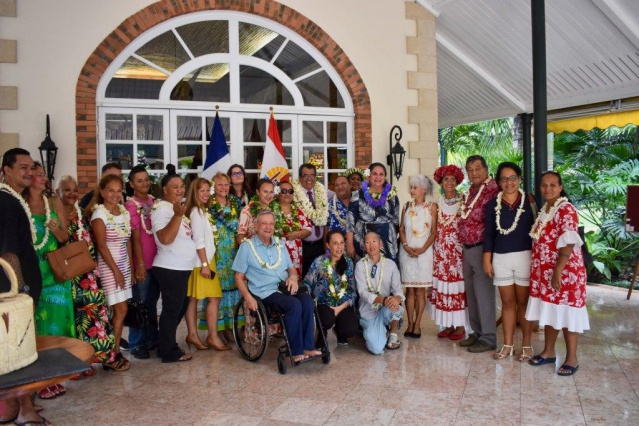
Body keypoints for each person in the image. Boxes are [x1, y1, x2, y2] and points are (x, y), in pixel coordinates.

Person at [0, 148, 49, 426]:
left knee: (12, 348)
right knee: (21, 348)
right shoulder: (7, 202)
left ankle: (11, 407)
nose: (30, 172)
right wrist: (21, 292)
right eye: (23, 167)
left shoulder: (12, 199)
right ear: (7, 170)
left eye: (32, 167)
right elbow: (9, 251)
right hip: (14, 292)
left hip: (13, 290)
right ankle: (26, 411)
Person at [233, 210, 321, 362]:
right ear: (256, 225)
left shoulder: (279, 244)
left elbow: (291, 268)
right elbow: (238, 277)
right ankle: (296, 351)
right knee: (293, 304)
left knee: (307, 300)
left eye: (271, 224)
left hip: (284, 287)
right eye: (264, 224)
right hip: (265, 292)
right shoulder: (247, 247)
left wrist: (293, 277)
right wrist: (247, 297)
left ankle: (307, 346)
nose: (268, 227)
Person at [526, 171, 589, 376]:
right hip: (546, 272)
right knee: (551, 311)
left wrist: (558, 271)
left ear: (561, 187)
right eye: (544, 185)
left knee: (567, 313)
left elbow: (569, 242)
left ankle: (572, 358)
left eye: (553, 185)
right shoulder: (546, 209)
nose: (548, 189)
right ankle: (549, 352)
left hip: (565, 273)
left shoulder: (566, 209)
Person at [26, 163, 76, 399]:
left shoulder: (54, 203)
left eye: (43, 174)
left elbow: (66, 237)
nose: (42, 178)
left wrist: (56, 229)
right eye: (38, 174)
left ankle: (55, 375)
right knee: (39, 324)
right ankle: (40, 378)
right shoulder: (20, 203)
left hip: (55, 271)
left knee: (57, 322)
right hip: (32, 271)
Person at [56, 175, 116, 372]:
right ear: (58, 192)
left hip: (89, 276)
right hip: (70, 278)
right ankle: (75, 363)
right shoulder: (54, 216)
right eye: (67, 190)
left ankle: (93, 358)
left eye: (75, 190)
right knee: (75, 320)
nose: (72, 194)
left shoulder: (82, 213)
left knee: (94, 318)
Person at [483, 162, 536, 361]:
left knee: (524, 303)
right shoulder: (492, 204)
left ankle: (527, 346)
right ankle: (507, 345)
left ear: (519, 179)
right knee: (507, 303)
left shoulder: (530, 201)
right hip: (501, 258)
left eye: (513, 178)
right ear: (498, 182)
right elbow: (489, 233)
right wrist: (487, 259)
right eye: (504, 179)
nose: (509, 182)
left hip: (525, 257)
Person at [87, 174, 132, 371]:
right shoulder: (99, 214)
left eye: (118, 191)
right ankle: (112, 353)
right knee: (120, 310)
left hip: (123, 266)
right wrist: (116, 272)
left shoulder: (123, 212)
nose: (115, 194)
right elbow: (102, 247)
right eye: (111, 190)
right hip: (109, 267)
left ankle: (113, 351)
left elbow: (127, 241)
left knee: (119, 311)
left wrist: (130, 268)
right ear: (103, 192)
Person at [151, 172, 197, 363]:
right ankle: (169, 351)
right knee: (172, 309)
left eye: (182, 186)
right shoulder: (162, 209)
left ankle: (165, 343)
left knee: (180, 306)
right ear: (165, 189)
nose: (180, 190)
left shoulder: (174, 208)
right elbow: (165, 238)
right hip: (170, 267)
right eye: (175, 187)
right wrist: (178, 216)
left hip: (180, 267)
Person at [458, 155, 500, 353]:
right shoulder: (470, 191)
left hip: (482, 248)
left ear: (486, 169)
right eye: (470, 169)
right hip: (467, 248)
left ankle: (489, 337)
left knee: (483, 294)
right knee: (472, 294)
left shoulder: (493, 190)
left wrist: (488, 254)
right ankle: (477, 332)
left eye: (477, 168)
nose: (474, 173)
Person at [184, 178, 231, 351]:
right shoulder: (196, 212)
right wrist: (205, 264)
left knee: (195, 299)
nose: (205, 194)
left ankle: (194, 335)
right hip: (201, 262)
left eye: (207, 190)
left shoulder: (203, 210)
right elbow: (198, 240)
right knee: (212, 298)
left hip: (206, 260)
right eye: (201, 190)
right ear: (194, 192)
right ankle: (211, 336)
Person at [200, 172, 241, 341]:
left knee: (234, 286)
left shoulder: (235, 203)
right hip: (216, 253)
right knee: (217, 292)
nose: (224, 188)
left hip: (233, 252)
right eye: (219, 185)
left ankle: (231, 327)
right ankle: (217, 329)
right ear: (213, 187)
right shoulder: (208, 204)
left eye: (226, 184)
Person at [124, 165, 160, 360]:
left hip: (157, 261)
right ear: (131, 184)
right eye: (139, 180)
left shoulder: (154, 202)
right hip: (142, 263)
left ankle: (151, 339)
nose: (144, 183)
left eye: (146, 179)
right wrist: (138, 265)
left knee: (152, 302)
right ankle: (136, 342)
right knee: (139, 303)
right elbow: (134, 238)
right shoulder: (131, 205)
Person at [431, 165, 467, 340]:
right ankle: (447, 324)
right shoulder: (436, 203)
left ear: (458, 181)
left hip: (458, 253)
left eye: (453, 179)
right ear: (441, 182)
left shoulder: (464, 201)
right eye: (446, 179)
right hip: (441, 253)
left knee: (457, 287)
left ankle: (460, 326)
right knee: (444, 287)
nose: (450, 182)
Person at [303, 230, 358, 346]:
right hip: (323, 304)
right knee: (326, 319)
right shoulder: (319, 262)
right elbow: (307, 283)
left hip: (342, 304)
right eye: (335, 243)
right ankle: (322, 333)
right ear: (328, 245)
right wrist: (309, 302)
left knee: (351, 328)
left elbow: (352, 290)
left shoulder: (348, 262)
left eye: (342, 243)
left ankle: (340, 332)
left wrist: (340, 307)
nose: (339, 247)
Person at [399, 175, 437, 339]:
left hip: (424, 253)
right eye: (411, 187)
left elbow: (434, 232)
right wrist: (406, 246)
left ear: (424, 189)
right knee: (410, 290)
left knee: (421, 290)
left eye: (415, 187)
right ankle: (409, 323)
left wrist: (422, 249)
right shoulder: (406, 206)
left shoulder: (432, 207)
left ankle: (417, 325)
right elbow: (401, 229)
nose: (412, 190)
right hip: (407, 252)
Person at [356, 232, 405, 354]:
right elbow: (362, 292)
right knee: (377, 349)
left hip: (386, 308)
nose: (371, 245)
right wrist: (382, 300)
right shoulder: (360, 265)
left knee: (396, 306)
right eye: (368, 242)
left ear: (381, 244)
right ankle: (376, 330)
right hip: (368, 312)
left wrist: (397, 299)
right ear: (364, 246)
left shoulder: (390, 265)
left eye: (374, 241)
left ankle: (392, 333)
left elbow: (398, 290)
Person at [347, 163, 400, 265]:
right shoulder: (358, 195)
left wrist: (394, 238)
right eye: (374, 174)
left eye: (381, 174)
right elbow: (350, 222)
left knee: (387, 269)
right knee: (365, 269)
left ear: (385, 177)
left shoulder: (392, 196)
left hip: (387, 239)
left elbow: (396, 220)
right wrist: (350, 244)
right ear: (369, 176)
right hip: (364, 239)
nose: (378, 177)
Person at [292, 163, 329, 277]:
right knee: (302, 277)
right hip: (301, 245)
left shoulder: (322, 191)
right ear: (300, 178)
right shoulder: (293, 195)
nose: (309, 179)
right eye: (305, 175)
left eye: (312, 175)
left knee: (320, 276)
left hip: (319, 246)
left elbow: (339, 194)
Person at [278, 180, 311, 278]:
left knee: (294, 281)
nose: (287, 194)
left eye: (290, 191)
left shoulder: (298, 210)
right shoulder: (271, 209)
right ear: (277, 192)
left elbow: (308, 229)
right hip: (277, 253)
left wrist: (297, 234)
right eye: (284, 191)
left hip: (295, 255)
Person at [237, 178, 278, 244]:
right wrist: (248, 249)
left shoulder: (276, 209)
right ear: (258, 192)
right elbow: (240, 237)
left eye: (271, 192)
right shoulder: (247, 211)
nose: (268, 195)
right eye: (265, 192)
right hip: (253, 248)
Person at [324, 175, 351, 239]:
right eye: (337, 185)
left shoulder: (359, 203)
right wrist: (325, 244)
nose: (340, 187)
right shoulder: (329, 206)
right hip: (335, 244)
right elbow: (326, 228)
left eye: (343, 183)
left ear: (350, 185)